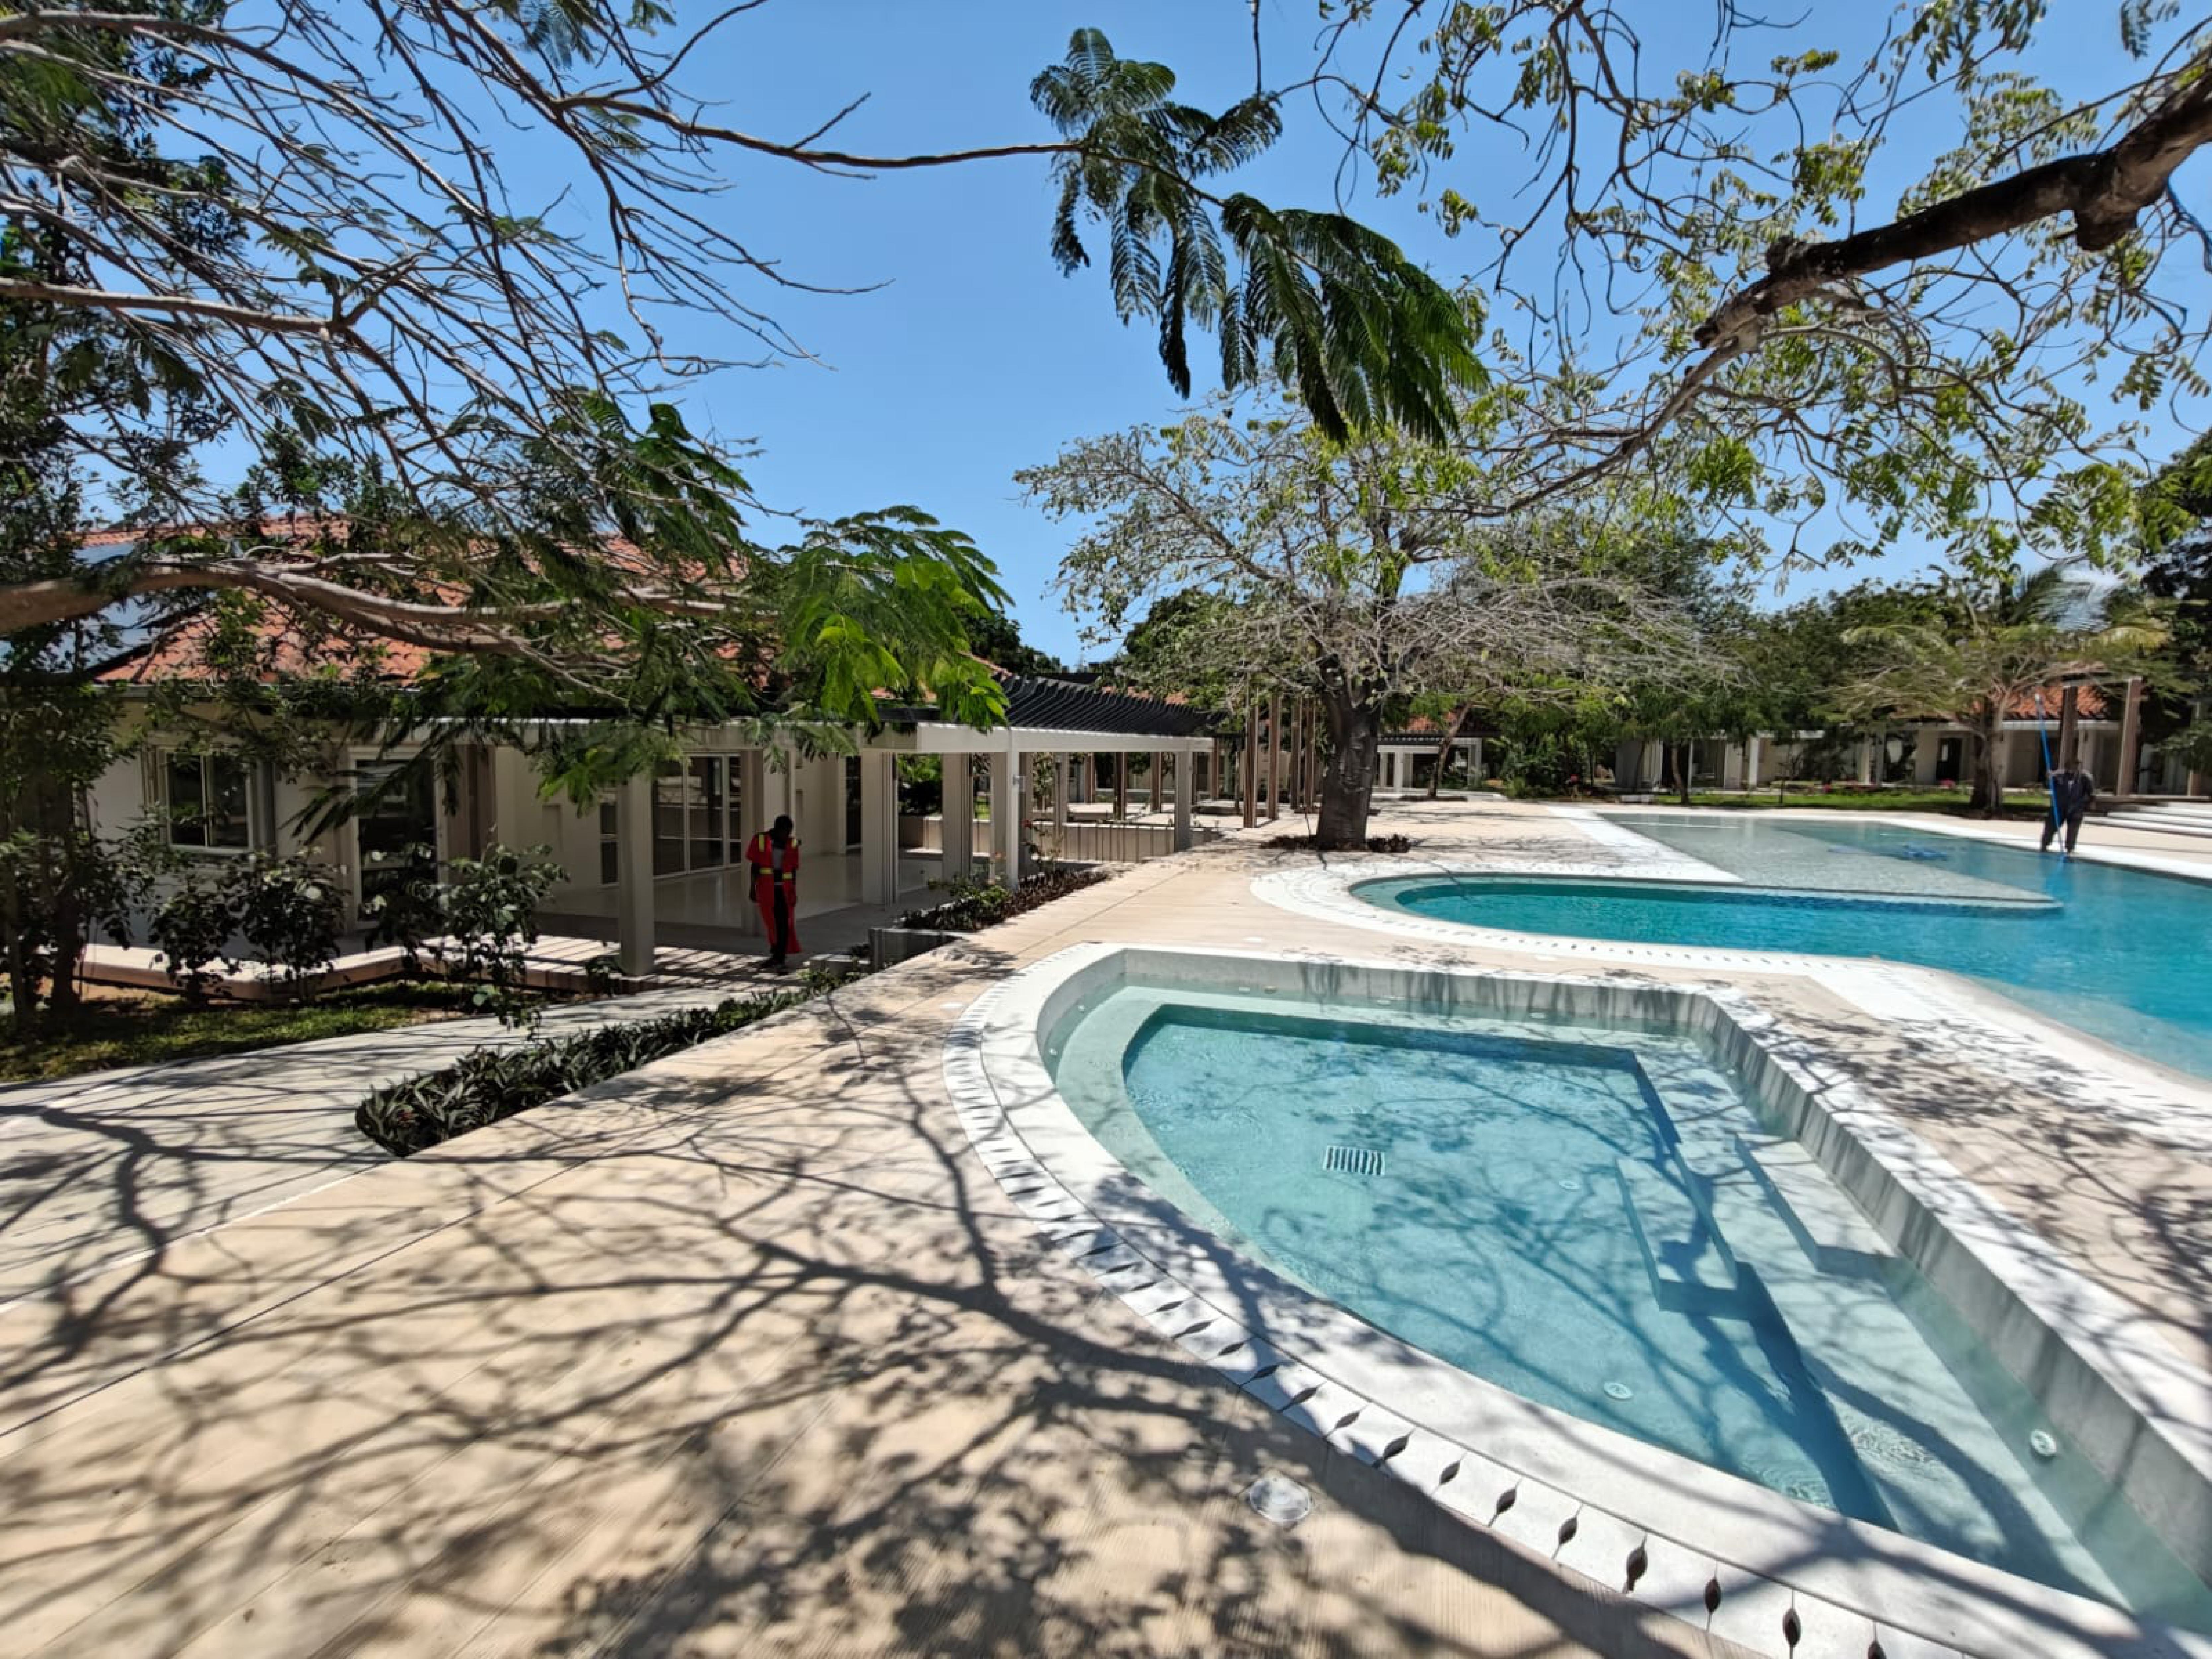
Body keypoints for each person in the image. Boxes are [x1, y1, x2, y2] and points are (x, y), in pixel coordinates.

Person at [745, 814, 802, 968]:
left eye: (790, 831)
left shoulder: (792, 844)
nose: (788, 835)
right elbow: (755, 867)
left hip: (784, 890)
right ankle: (777, 954)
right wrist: (752, 888)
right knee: (772, 923)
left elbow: (794, 869)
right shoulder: (761, 840)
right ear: (778, 829)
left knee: (784, 923)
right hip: (767, 890)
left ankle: (780, 956)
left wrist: (794, 891)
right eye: (786, 831)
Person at [2041, 762, 2096, 855]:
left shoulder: (2086, 778)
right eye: (2070, 769)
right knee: (2051, 827)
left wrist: (2091, 803)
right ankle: (2045, 845)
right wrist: (2049, 778)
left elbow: (2091, 792)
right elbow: (2048, 785)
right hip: (2059, 807)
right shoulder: (2058, 776)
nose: (2073, 771)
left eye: (2075, 768)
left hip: (2076, 808)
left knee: (2073, 830)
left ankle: (2070, 849)